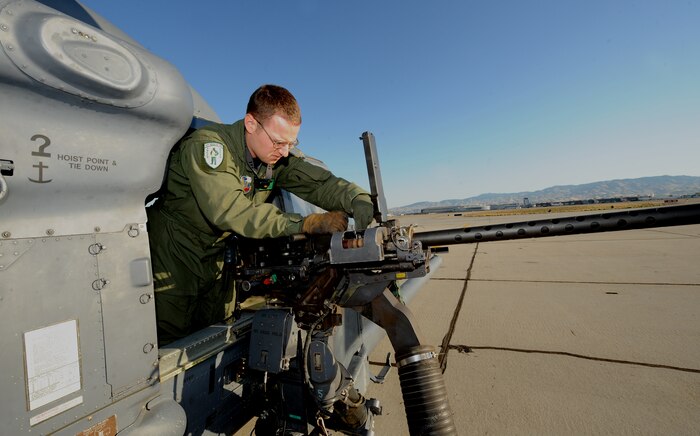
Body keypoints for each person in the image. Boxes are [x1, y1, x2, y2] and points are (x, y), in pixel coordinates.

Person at [147, 84, 375, 345]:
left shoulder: (272, 159)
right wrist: (307, 223)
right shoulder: (209, 146)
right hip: (174, 257)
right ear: (251, 124)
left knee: (215, 339)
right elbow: (232, 210)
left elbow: (318, 183)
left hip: (216, 260)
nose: (285, 151)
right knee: (171, 346)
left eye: (291, 143)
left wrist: (356, 197)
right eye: (279, 142)